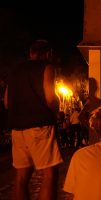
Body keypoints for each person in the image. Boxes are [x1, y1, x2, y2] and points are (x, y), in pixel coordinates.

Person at [4, 40, 63, 200]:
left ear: (31, 53)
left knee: (21, 177)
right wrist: (58, 106)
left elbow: (7, 102)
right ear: (48, 53)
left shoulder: (15, 70)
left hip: (17, 129)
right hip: (40, 126)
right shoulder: (46, 67)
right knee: (50, 174)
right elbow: (50, 98)